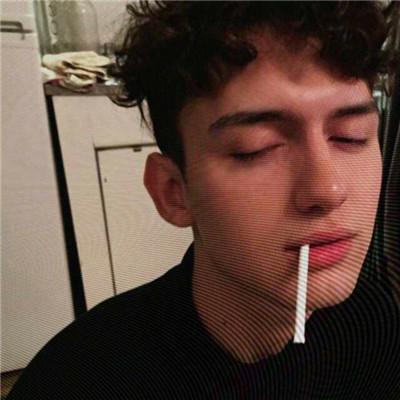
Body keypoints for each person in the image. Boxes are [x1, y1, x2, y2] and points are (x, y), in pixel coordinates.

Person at [8, 2, 400, 399]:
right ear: (173, 191)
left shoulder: (372, 321)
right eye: (256, 149)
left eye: (351, 136)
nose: (327, 189)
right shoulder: (79, 382)